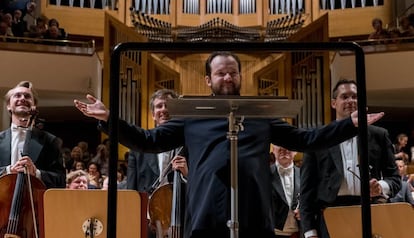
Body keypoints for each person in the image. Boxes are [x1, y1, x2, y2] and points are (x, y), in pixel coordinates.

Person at [74, 51, 384, 238]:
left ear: (240, 77)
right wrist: (110, 119)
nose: (227, 77)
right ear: (208, 80)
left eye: (232, 72)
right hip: (206, 214)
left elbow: (306, 139)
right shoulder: (191, 117)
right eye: (220, 73)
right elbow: (148, 140)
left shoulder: (260, 115)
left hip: (254, 214)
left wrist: (349, 124)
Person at [300, 78, 400, 238]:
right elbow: (306, 191)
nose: (351, 101)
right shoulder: (319, 137)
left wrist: (381, 187)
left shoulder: (379, 135)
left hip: (371, 213)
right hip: (331, 215)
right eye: (344, 97)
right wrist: (309, 231)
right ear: (334, 103)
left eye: (355, 96)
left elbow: (395, 179)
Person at [126, 89, 188, 238]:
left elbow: (201, 183)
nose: (164, 110)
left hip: (182, 218)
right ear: (153, 114)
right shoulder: (138, 149)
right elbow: (131, 190)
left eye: (169, 105)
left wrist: (187, 173)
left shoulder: (189, 145)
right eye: (159, 106)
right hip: (148, 220)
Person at [0, 81, 66, 188]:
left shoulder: (50, 141)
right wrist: (8, 170)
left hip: (35, 202)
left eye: (27, 96)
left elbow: (60, 180)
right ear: (8, 106)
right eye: (17, 95)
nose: (22, 98)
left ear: (34, 106)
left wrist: (36, 173)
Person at [270, 145, 301, 238]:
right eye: (280, 146)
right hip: (274, 232)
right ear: (273, 150)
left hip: (300, 232)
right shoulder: (263, 174)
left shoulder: (304, 173)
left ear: (296, 151)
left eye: (288, 146)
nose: (284, 150)